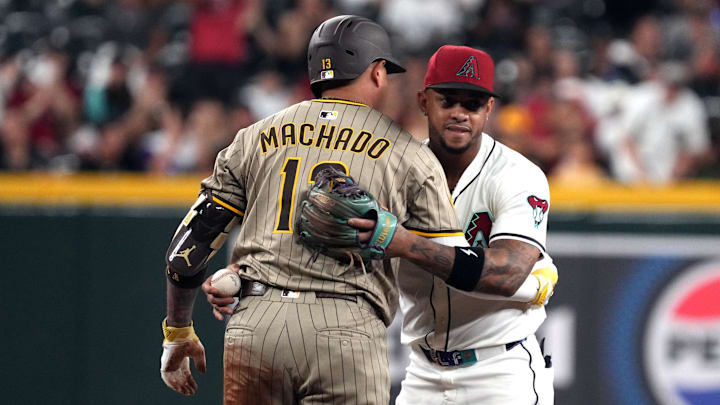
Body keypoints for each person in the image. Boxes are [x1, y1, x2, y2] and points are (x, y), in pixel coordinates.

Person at [159, 15, 466, 404]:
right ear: (375, 72)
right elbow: (454, 263)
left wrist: (178, 331)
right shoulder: (408, 154)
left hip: (256, 324)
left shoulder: (254, 136)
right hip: (346, 328)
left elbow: (187, 251)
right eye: (386, 72)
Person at [353, 45, 555, 404]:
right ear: (423, 101)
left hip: (500, 371)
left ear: (489, 109)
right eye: (448, 101)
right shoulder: (395, 168)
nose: (460, 114)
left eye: (473, 104)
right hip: (422, 373)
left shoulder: (518, 175)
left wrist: (405, 244)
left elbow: (507, 275)